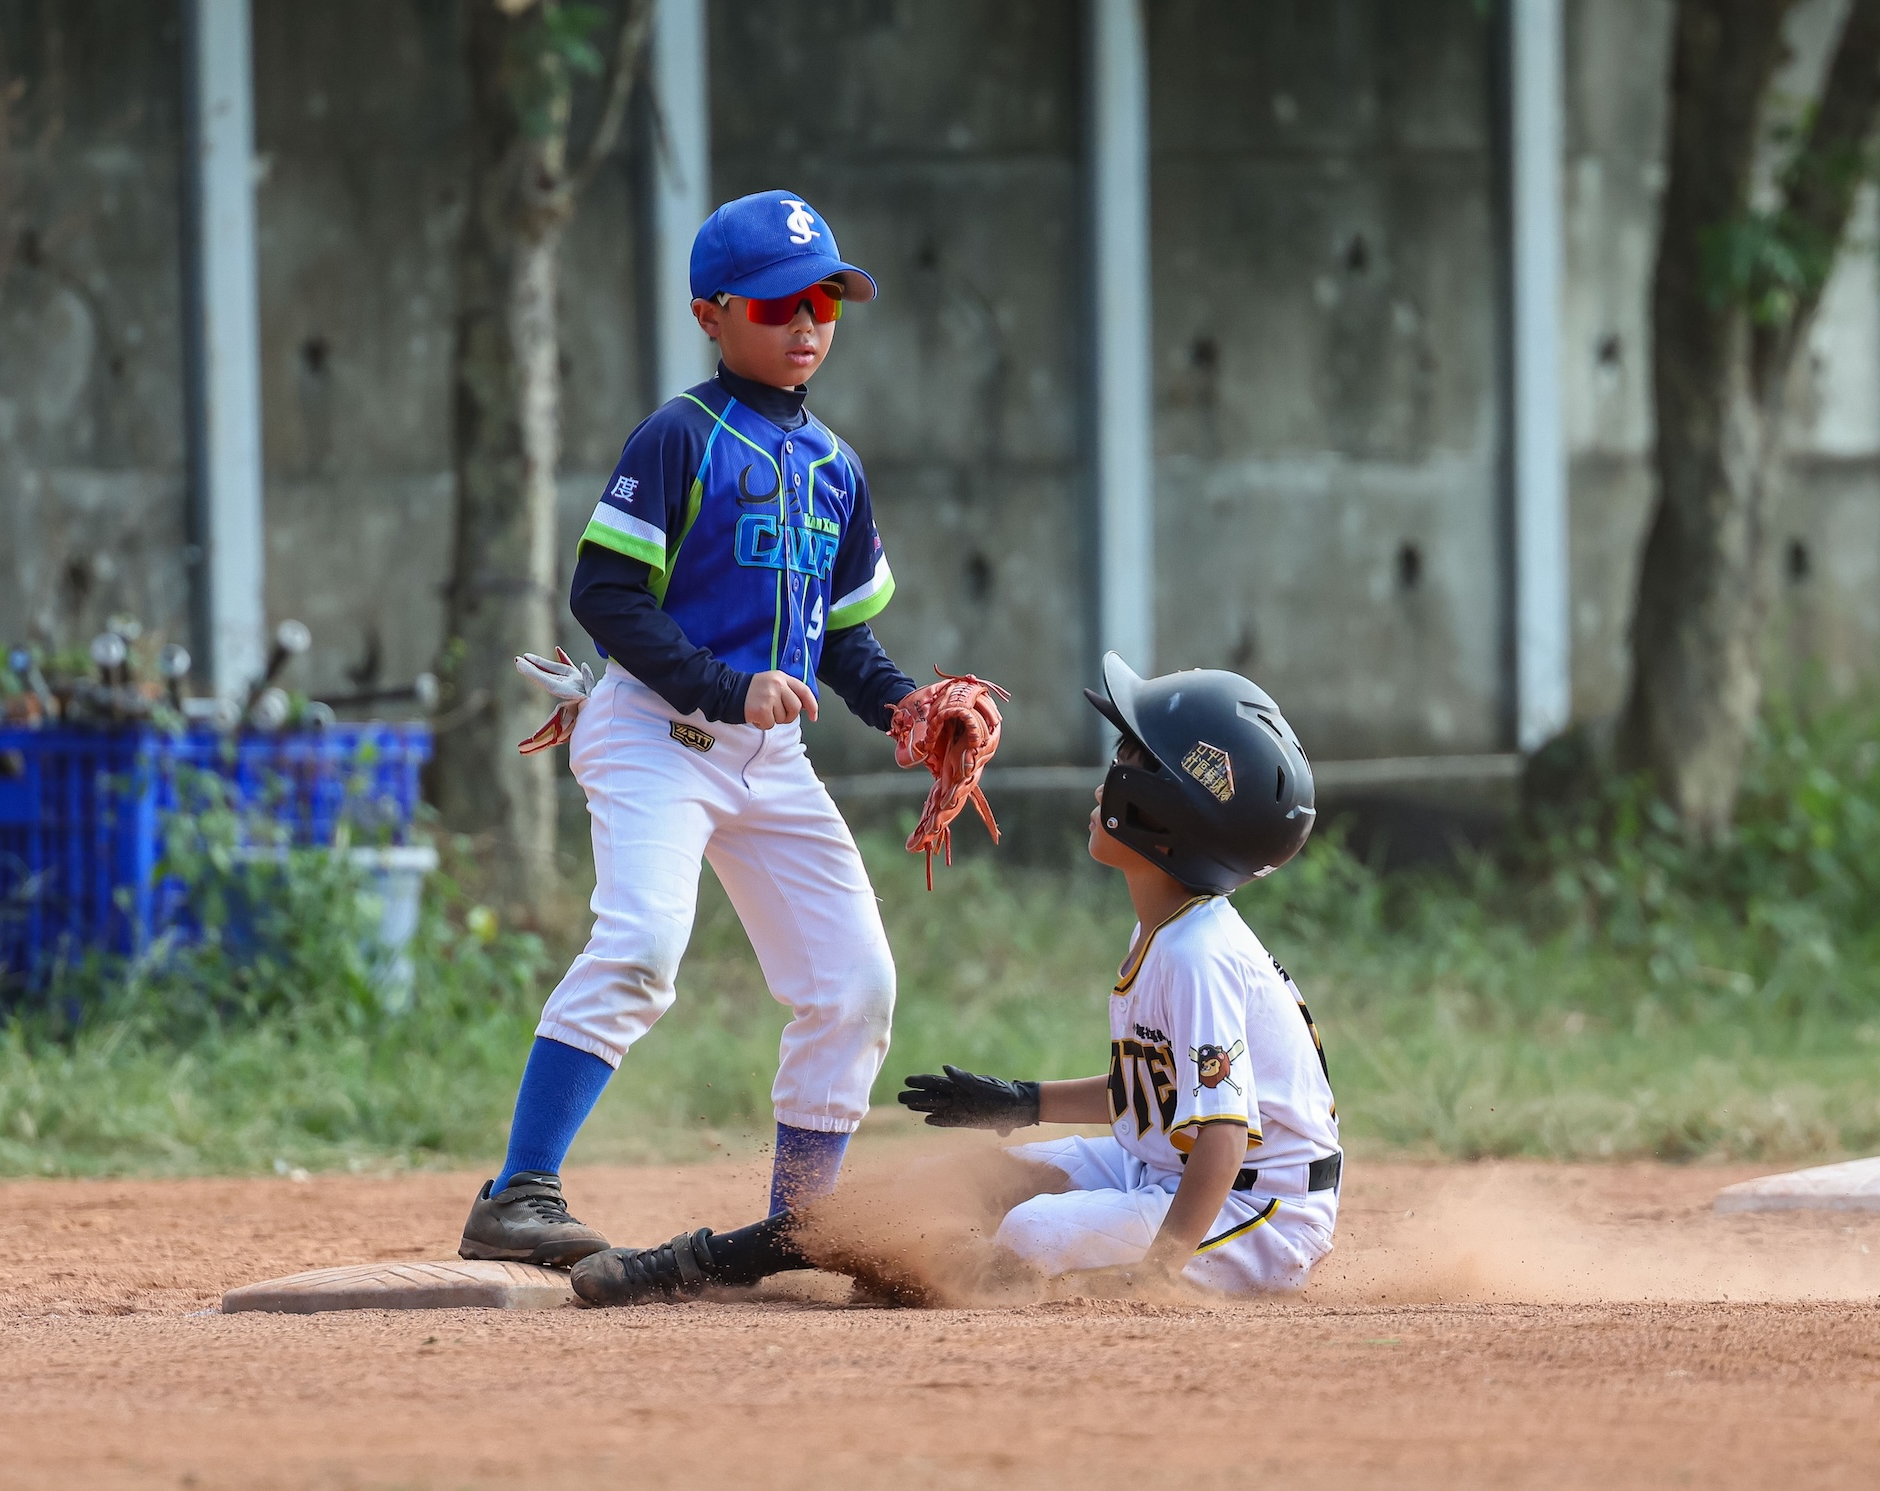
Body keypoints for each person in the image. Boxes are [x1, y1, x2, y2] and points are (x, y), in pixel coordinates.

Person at [459, 190, 962, 1266]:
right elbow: (604, 594)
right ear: (710, 313)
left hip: (763, 756)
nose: (805, 323)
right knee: (641, 946)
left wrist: (905, 710)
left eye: (824, 298)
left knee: (853, 986)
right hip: (649, 729)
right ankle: (517, 1194)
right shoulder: (680, 437)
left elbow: (840, 644)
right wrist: (722, 688)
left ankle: (798, 1228)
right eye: (777, 303)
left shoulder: (835, 466)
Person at [568, 655, 1343, 1304]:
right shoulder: (1170, 928)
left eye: (1132, 760)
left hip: (1258, 1207)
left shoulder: (1195, 953)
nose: (1110, 774)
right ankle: (701, 1261)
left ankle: (917, 1280)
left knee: (1029, 1232)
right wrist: (1021, 1102)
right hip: (1166, 1165)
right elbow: (1155, 1093)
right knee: (947, 1181)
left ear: (1168, 812)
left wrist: (1159, 1272)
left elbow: (1215, 1135)